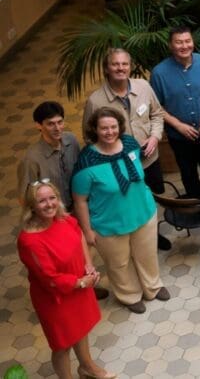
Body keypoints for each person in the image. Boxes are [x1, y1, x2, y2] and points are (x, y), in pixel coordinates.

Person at [72, 107, 167, 313]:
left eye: (113, 127)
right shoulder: (87, 162)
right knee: (119, 263)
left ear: (119, 127)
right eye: (104, 128)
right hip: (109, 224)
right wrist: (87, 231)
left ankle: (153, 286)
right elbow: (79, 200)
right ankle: (129, 295)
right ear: (95, 130)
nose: (109, 132)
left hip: (143, 213)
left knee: (147, 255)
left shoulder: (131, 144)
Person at [17, 180, 113, 379]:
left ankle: (87, 367)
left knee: (82, 328)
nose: (49, 204)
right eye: (41, 201)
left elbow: (78, 236)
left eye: (52, 198)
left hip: (79, 284)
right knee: (63, 344)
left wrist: (89, 265)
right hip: (56, 299)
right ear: (32, 206)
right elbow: (49, 279)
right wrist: (80, 282)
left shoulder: (64, 220)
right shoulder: (29, 241)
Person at [83, 48, 167, 249]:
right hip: (119, 168)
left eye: (124, 64)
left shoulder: (144, 87)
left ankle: (153, 235)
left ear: (130, 67)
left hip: (149, 159)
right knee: (129, 201)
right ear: (107, 68)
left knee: (152, 198)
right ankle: (134, 241)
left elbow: (157, 114)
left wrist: (155, 137)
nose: (120, 68)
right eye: (115, 64)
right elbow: (89, 137)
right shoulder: (96, 101)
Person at [150, 26, 200, 201]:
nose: (184, 46)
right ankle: (197, 205)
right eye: (179, 42)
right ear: (170, 45)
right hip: (179, 136)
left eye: (187, 41)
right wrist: (178, 125)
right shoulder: (159, 73)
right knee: (188, 173)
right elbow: (156, 107)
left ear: (193, 42)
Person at [20, 101, 81, 212]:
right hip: (52, 213)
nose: (57, 128)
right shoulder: (32, 158)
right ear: (38, 125)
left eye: (60, 122)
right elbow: (25, 197)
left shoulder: (72, 140)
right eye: (50, 124)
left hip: (77, 207)